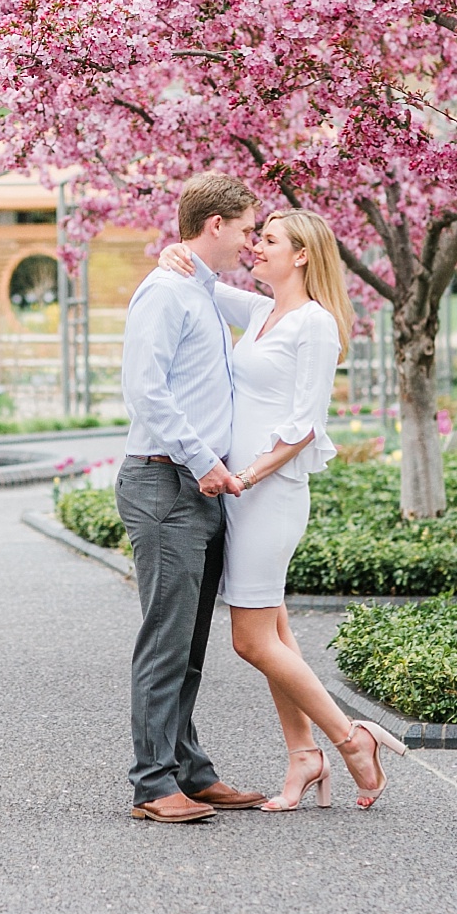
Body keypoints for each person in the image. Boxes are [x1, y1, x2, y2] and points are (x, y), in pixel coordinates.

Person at [159, 209, 406, 811]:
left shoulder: (315, 325)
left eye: (267, 240)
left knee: (250, 640)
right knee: (275, 631)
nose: (255, 247)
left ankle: (352, 739)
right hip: (238, 490)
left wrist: (247, 474)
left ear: (300, 255)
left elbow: (303, 427)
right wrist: (174, 254)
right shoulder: (263, 310)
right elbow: (206, 284)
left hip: (268, 492)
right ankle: (303, 757)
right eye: (255, 236)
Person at [115, 174, 269, 823]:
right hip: (168, 482)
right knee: (165, 640)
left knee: (190, 645)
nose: (251, 243)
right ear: (215, 225)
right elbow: (145, 390)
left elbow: (270, 312)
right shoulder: (165, 293)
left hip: (199, 487)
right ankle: (153, 784)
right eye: (246, 230)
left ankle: (190, 771)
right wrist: (204, 461)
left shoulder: (201, 289)